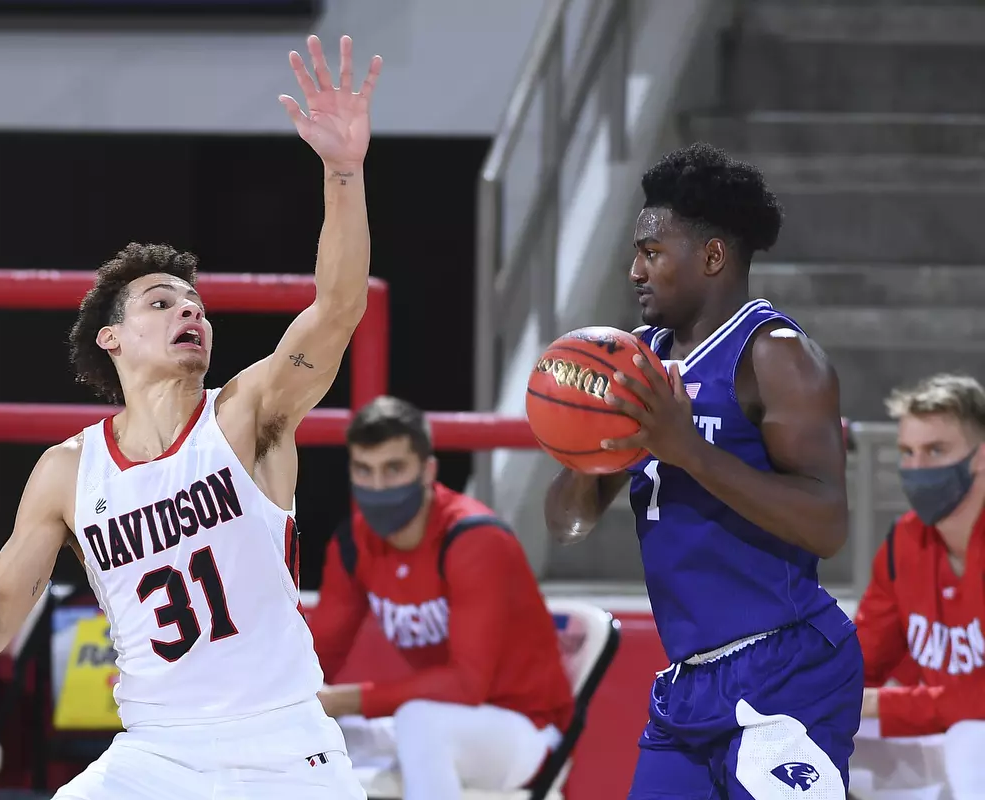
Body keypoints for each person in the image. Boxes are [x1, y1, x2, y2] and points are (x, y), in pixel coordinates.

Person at [0, 35, 382, 800]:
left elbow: (339, 307)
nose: (189, 310)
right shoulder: (67, 471)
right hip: (156, 755)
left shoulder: (248, 413)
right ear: (110, 337)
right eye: (162, 302)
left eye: (196, 305)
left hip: (280, 745)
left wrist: (342, 169)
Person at [545, 142, 862, 799]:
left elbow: (828, 526)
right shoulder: (634, 365)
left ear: (712, 257)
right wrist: (584, 442)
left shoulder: (777, 357)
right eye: (637, 253)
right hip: (691, 682)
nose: (635, 270)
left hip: (787, 669)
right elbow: (567, 525)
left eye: (652, 253)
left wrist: (685, 447)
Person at [308, 396, 574, 800]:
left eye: (393, 469)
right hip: (438, 720)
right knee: (304, 733)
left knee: (419, 721)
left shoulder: (474, 540)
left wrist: (344, 699)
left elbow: (467, 685)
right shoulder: (354, 542)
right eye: (364, 470)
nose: (377, 487)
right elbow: (316, 655)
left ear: (427, 470)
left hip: (525, 730)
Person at [849, 373, 985, 799]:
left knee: (971, 743)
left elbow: (977, 703)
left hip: (971, 743)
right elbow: (860, 663)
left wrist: (882, 704)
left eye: (936, 451)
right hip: (939, 733)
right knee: (805, 743)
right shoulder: (905, 543)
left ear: (981, 456)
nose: (917, 468)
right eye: (907, 452)